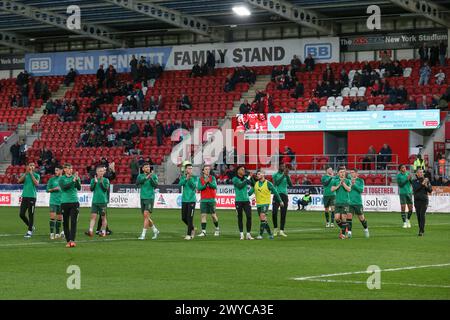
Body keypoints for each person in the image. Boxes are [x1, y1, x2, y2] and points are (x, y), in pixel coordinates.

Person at [248, 170, 283, 240]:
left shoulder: (268, 183)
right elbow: (249, 193)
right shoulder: (256, 184)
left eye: (259, 174)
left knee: (262, 216)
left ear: (263, 174)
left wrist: (280, 201)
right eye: (257, 174)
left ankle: (260, 235)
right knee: (263, 220)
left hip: (265, 204)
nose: (257, 175)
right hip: (258, 204)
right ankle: (270, 235)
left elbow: (275, 192)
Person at [59, 163, 81, 248]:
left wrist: (77, 180)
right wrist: (73, 181)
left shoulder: (75, 177)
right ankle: (68, 241)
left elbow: (78, 188)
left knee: (73, 221)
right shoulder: (62, 179)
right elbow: (64, 188)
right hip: (64, 202)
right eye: (68, 168)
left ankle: (72, 240)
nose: (70, 170)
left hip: (74, 202)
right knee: (65, 222)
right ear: (64, 169)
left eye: (71, 168)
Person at [136, 163, 160, 240]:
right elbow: (137, 183)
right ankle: (155, 230)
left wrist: (150, 178)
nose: (148, 168)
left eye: (148, 167)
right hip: (142, 197)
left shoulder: (154, 176)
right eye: (146, 167)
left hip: (150, 197)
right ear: (143, 169)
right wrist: (146, 178)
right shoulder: (140, 176)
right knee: (146, 216)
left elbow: (156, 185)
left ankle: (143, 235)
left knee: (146, 215)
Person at [86, 166, 110, 237]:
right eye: (99, 171)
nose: (101, 172)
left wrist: (100, 183)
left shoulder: (106, 180)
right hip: (95, 202)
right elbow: (91, 189)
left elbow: (105, 189)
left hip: (103, 202)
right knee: (93, 217)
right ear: (96, 172)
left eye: (102, 171)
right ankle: (90, 231)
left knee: (103, 217)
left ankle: (103, 231)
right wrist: (95, 183)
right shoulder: (93, 180)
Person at [18, 162, 40, 238]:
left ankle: (29, 231)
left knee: (31, 214)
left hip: (32, 197)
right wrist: (26, 173)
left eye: (33, 165)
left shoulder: (37, 175)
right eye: (30, 165)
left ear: (34, 167)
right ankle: (31, 226)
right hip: (24, 196)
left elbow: (37, 184)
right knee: (21, 214)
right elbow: (19, 181)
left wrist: (31, 174)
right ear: (28, 166)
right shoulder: (25, 175)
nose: (31, 167)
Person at [197, 165, 220, 237]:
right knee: (203, 215)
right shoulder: (200, 179)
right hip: (203, 200)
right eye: (206, 169)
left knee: (213, 215)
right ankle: (203, 232)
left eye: (208, 169)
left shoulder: (212, 178)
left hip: (211, 199)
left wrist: (208, 183)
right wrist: (205, 184)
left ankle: (217, 229)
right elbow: (199, 188)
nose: (207, 171)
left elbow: (215, 186)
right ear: (203, 171)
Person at [232, 165, 254, 240]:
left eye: (244, 169)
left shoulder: (245, 178)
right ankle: (241, 234)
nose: (243, 171)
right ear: (238, 171)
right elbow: (240, 185)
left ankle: (248, 234)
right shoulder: (234, 179)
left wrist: (252, 178)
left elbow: (252, 184)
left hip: (246, 200)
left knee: (249, 216)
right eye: (242, 169)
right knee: (240, 217)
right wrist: (248, 178)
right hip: (238, 201)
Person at [272, 164, 293, 237]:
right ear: (279, 167)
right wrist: (284, 175)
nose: (283, 168)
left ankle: (281, 230)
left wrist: (287, 176)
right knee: (274, 212)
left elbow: (291, 185)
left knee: (283, 214)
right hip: (277, 194)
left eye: (284, 167)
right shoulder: (275, 175)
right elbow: (276, 183)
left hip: (284, 195)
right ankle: (275, 229)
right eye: (282, 166)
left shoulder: (286, 175)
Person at [331, 167, 351, 239]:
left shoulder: (348, 180)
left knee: (343, 218)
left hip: (345, 202)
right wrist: (339, 184)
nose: (342, 173)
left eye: (343, 172)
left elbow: (349, 189)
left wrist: (343, 184)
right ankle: (344, 228)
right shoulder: (335, 181)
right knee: (336, 218)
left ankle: (342, 234)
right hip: (337, 202)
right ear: (338, 173)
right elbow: (332, 189)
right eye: (341, 172)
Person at [179, 164, 198, 240]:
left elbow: (193, 186)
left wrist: (189, 179)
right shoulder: (183, 177)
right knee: (183, 218)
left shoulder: (194, 177)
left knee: (190, 218)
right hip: (184, 200)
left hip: (191, 200)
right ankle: (193, 228)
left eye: (191, 168)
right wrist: (186, 178)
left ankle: (188, 235)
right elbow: (180, 184)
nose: (190, 170)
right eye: (189, 168)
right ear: (186, 169)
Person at [348, 169, 369, 238]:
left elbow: (361, 190)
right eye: (350, 172)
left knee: (361, 218)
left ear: (356, 173)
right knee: (349, 217)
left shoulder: (360, 181)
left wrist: (354, 184)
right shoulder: (348, 180)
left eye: (352, 172)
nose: (351, 174)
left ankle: (366, 229)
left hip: (358, 202)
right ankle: (349, 232)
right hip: (349, 202)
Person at [412, 169, 432, 236]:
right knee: (418, 216)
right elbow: (416, 189)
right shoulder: (414, 181)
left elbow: (430, 190)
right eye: (419, 172)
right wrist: (422, 184)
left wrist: (426, 185)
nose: (421, 173)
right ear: (416, 174)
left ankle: (421, 231)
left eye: (421, 172)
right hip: (417, 200)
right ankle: (420, 229)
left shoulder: (426, 180)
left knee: (422, 214)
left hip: (424, 200)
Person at [46, 165, 63, 240]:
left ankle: (57, 233)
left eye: (57, 170)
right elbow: (47, 190)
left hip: (62, 201)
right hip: (53, 201)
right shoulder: (52, 180)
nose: (55, 172)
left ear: (61, 171)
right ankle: (52, 233)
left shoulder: (64, 179)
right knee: (52, 217)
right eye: (55, 170)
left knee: (59, 218)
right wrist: (54, 189)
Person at [397, 164, 414, 229]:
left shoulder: (408, 174)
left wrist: (410, 179)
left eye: (404, 167)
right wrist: (407, 179)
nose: (404, 168)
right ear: (400, 169)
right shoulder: (398, 176)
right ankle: (404, 223)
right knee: (403, 208)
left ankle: (408, 220)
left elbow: (412, 183)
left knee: (411, 209)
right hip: (402, 193)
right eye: (402, 167)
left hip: (409, 193)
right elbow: (400, 185)